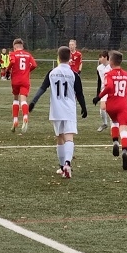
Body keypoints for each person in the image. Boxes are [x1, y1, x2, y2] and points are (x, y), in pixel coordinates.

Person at [29, 45, 87, 178]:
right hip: (69, 109)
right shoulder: (74, 74)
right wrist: (84, 108)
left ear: (58, 57)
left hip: (56, 110)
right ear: (70, 57)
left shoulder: (52, 73)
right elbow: (80, 94)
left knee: (60, 138)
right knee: (69, 137)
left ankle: (61, 167)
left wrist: (33, 102)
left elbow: (42, 88)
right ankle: (67, 164)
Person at [94, 50, 127, 170]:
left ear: (111, 61)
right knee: (124, 129)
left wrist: (99, 97)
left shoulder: (109, 74)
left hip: (111, 105)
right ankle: (125, 151)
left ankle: (115, 142)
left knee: (114, 122)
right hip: (123, 105)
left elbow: (109, 87)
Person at [8, 38, 37, 132]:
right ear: (22, 46)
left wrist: (8, 70)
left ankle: (15, 120)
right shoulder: (28, 55)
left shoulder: (13, 54)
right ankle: (25, 116)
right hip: (25, 80)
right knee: (23, 100)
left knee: (16, 99)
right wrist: (27, 71)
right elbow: (34, 65)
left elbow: (12, 62)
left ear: (14, 47)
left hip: (15, 80)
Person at [95, 50, 111, 131]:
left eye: (100, 57)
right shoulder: (99, 68)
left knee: (111, 108)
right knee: (102, 109)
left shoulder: (111, 66)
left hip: (111, 90)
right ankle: (105, 124)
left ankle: (114, 124)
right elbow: (99, 81)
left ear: (105, 57)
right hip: (104, 90)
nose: (99, 59)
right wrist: (98, 94)